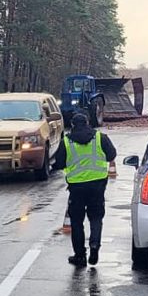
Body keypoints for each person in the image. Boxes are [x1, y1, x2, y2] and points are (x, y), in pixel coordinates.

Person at [54, 113, 117, 267]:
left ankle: (80, 256)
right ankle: (95, 245)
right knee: (96, 218)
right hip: (97, 185)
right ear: (88, 123)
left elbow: (60, 163)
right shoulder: (100, 138)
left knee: (76, 221)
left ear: (73, 125)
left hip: (76, 187)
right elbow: (112, 155)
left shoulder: (66, 142)